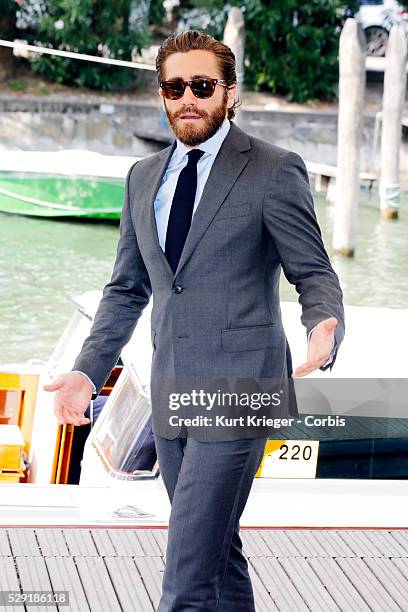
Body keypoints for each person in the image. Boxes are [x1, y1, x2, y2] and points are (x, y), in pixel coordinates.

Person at [44, 30, 345, 612]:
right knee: (215, 554)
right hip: (172, 394)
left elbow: (314, 273)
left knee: (183, 582)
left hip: (241, 392)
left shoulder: (273, 170)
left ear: (229, 93)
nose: (188, 98)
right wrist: (87, 370)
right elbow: (126, 289)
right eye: (174, 87)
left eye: (202, 86)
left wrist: (324, 324)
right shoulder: (142, 177)